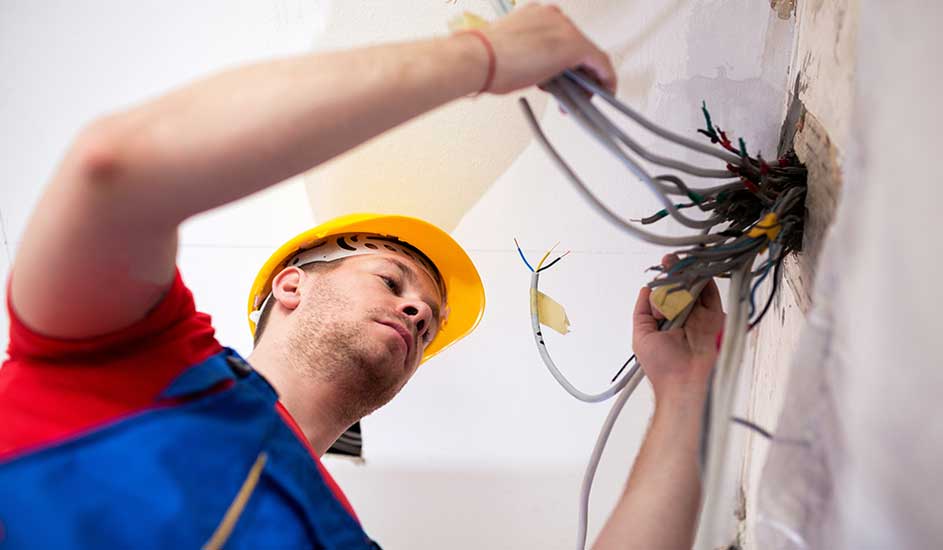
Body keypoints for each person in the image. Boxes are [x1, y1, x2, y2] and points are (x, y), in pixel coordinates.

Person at [0, 4, 724, 549]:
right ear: (292, 283)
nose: (417, 314)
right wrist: (487, 56)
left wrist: (684, 389)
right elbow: (117, 170)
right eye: (392, 281)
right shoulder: (130, 361)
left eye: (429, 321)